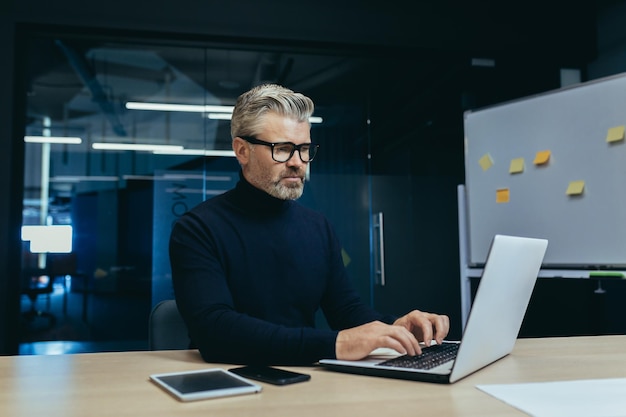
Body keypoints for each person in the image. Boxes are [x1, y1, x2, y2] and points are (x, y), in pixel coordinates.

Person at [169, 83, 449, 365]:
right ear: (242, 151)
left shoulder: (318, 227)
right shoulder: (197, 229)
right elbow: (215, 332)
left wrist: (395, 328)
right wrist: (335, 343)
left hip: (304, 380)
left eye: (304, 149)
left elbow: (347, 311)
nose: (298, 162)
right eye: (282, 149)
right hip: (229, 384)